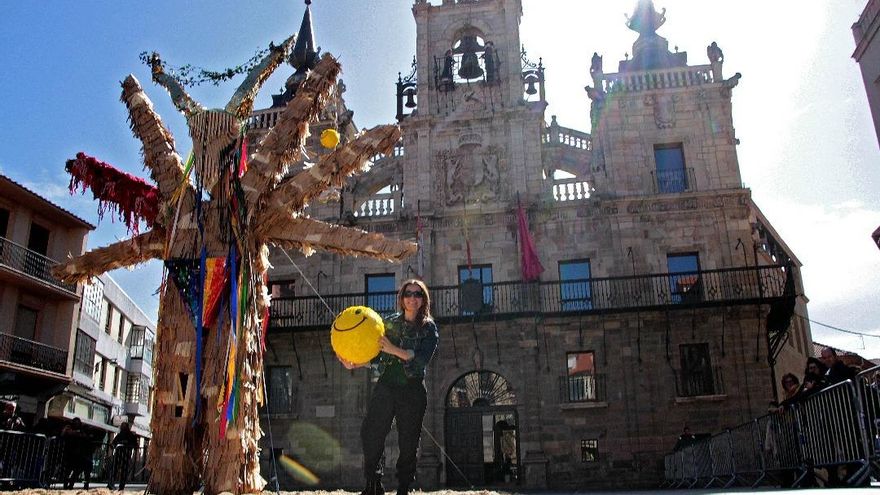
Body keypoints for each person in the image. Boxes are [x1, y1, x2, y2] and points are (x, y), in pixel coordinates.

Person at [337, 279, 439, 495]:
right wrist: (354, 362)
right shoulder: (389, 322)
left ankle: (404, 487)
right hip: (386, 385)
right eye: (408, 293)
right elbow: (377, 355)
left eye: (417, 294)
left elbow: (419, 360)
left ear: (423, 300)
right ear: (401, 298)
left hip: (412, 389)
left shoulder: (429, 328)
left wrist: (393, 349)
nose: (412, 298)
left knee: (408, 440)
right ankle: (373, 484)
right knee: (371, 432)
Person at [62, 418, 94, 489]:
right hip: (71, 453)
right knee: (68, 471)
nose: (76, 424)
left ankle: (71, 485)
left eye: (77, 423)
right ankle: (67, 485)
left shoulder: (82, 431)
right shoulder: (69, 429)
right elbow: (64, 435)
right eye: (75, 423)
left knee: (77, 471)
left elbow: (86, 437)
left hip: (79, 454)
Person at [107, 421, 138, 490]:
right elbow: (114, 443)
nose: (122, 428)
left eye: (124, 426)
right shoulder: (119, 435)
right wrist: (113, 445)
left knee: (124, 471)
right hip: (118, 454)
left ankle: (121, 486)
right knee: (114, 469)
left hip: (126, 455)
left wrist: (128, 445)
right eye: (122, 426)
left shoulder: (131, 435)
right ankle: (111, 484)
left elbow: (135, 445)